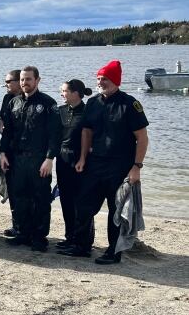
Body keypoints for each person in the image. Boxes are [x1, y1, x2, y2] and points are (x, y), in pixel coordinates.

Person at [59, 60, 149, 265]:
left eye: (105, 79)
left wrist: (137, 167)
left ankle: (113, 252)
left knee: (115, 210)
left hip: (120, 166)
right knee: (83, 205)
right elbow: (87, 131)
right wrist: (82, 158)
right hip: (94, 163)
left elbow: (142, 138)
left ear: (116, 80)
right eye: (99, 79)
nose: (100, 82)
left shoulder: (130, 104)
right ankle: (81, 246)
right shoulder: (93, 103)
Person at [0, 66, 61, 252]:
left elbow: (55, 134)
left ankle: (39, 237)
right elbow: (7, 132)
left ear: (37, 80)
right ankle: (22, 233)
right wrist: (2, 153)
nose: (25, 83)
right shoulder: (14, 103)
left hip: (39, 160)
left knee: (40, 198)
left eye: (28, 79)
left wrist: (50, 158)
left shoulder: (48, 103)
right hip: (16, 159)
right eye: (22, 80)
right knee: (19, 197)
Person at [54, 79, 94, 250]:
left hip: (81, 162)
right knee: (66, 200)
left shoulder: (88, 111)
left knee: (82, 202)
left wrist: (84, 158)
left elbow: (92, 135)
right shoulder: (60, 111)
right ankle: (70, 236)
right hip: (62, 161)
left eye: (64, 91)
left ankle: (83, 240)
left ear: (76, 93)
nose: (62, 94)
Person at [0, 69, 21, 237]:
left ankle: (31, 227)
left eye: (8, 81)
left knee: (29, 192)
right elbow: (2, 122)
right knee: (13, 189)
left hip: (27, 152)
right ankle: (17, 225)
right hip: (9, 149)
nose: (6, 84)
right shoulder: (8, 98)